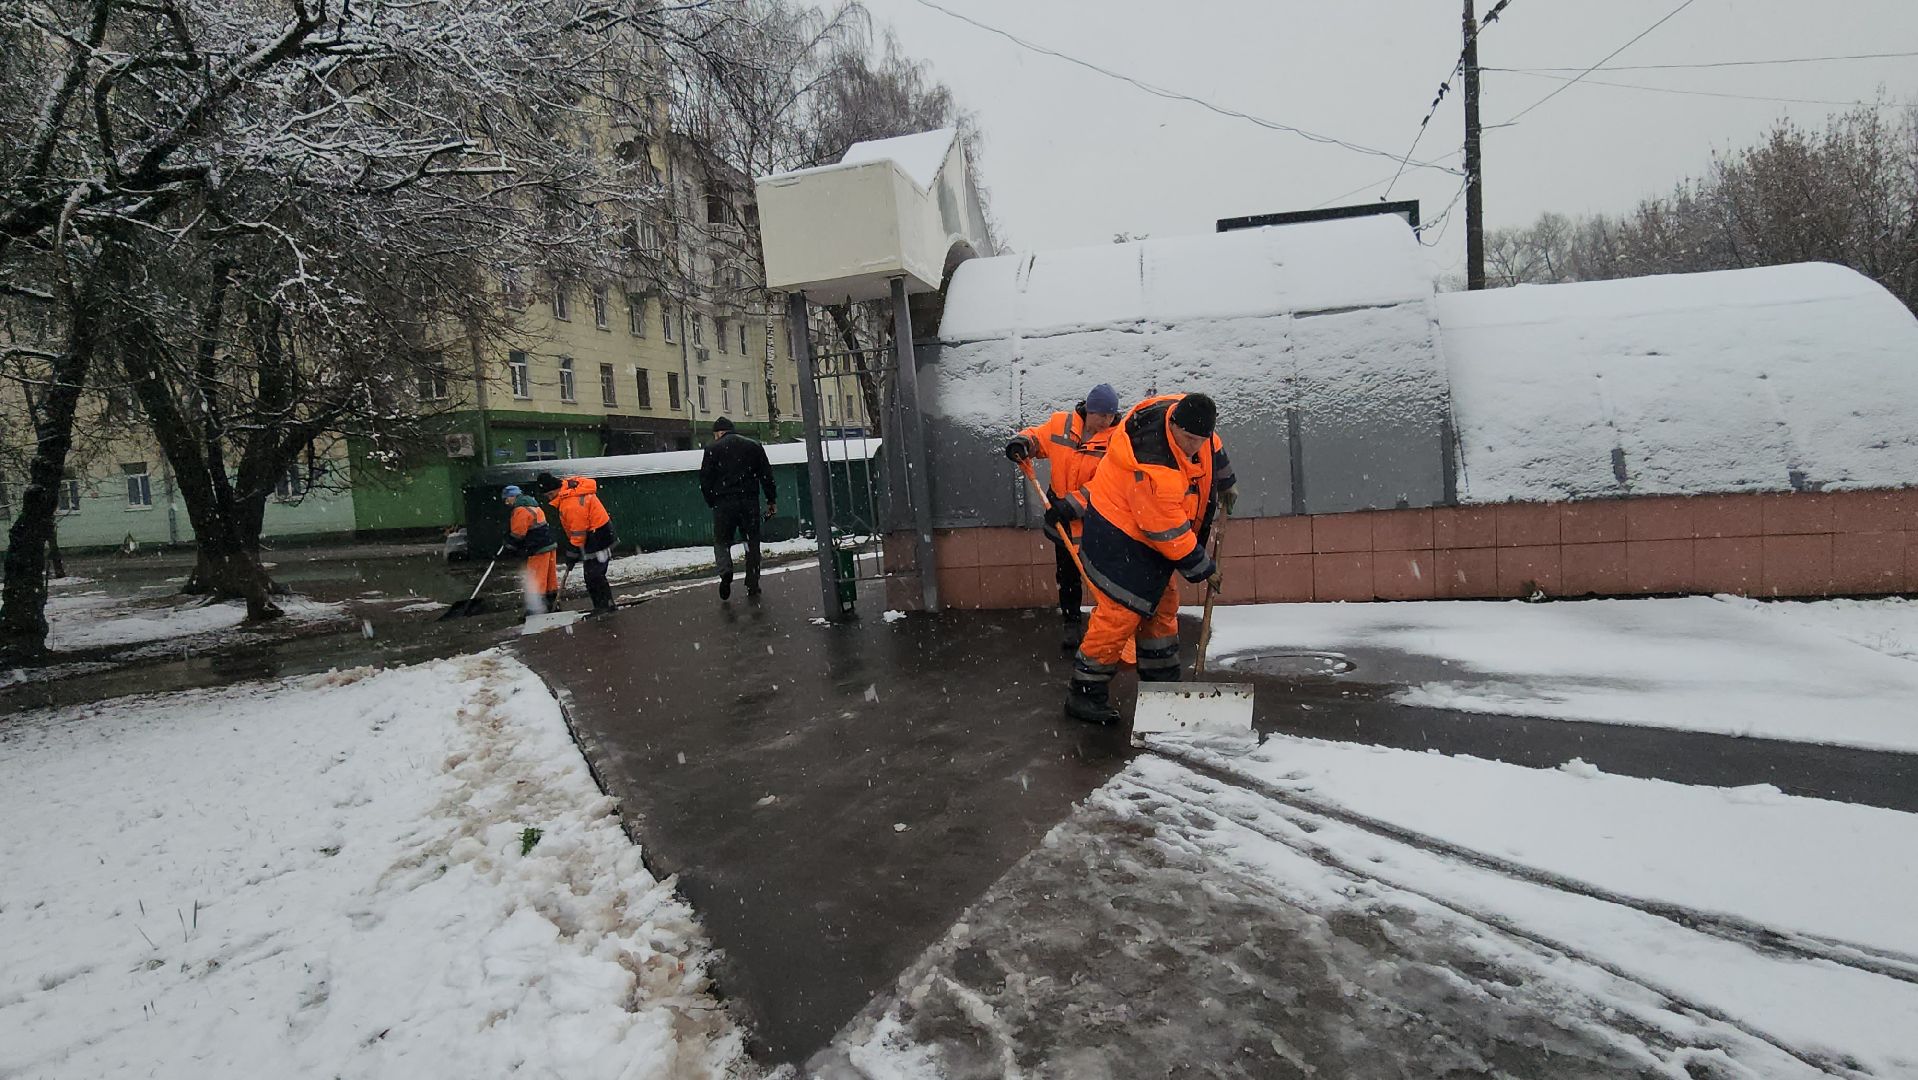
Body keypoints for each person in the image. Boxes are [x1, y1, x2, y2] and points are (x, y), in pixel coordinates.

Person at [1053, 392, 1238, 725]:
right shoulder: (1154, 466)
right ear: (1173, 426)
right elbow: (1166, 532)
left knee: (1163, 605)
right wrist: (1203, 568)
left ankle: (1162, 686)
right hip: (1117, 536)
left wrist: (1225, 480)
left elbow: (1213, 446)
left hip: (1147, 539)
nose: (1194, 446)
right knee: (1119, 616)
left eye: (1200, 439)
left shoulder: (1182, 413)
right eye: (1188, 439)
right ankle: (1083, 695)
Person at [1005, 383, 1121, 649]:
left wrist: (1073, 504)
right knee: (1067, 575)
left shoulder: (1118, 439)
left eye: (1111, 416)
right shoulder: (1062, 424)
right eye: (1101, 415)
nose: (1106, 421)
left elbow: (1109, 483)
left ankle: (1112, 626)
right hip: (1061, 519)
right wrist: (1023, 443)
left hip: (1097, 521)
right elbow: (1039, 438)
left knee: (1103, 573)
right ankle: (1071, 622)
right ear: (1088, 410)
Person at [698, 417, 776, 600]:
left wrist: (712, 501)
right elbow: (766, 475)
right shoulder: (753, 446)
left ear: (718, 433)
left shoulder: (712, 449)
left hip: (724, 504)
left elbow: (705, 480)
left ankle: (725, 573)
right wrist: (771, 500)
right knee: (752, 542)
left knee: (722, 541)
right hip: (749, 502)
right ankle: (752, 583)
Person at [540, 471, 618, 614]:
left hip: (597, 535)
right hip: (598, 533)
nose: (549, 499)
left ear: (557, 488)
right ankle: (605, 605)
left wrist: (572, 552)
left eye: (550, 494)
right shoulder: (568, 492)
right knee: (594, 574)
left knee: (593, 575)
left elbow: (578, 531)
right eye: (547, 496)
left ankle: (604, 607)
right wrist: (574, 551)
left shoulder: (570, 501)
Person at [500, 484, 558, 616]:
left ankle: (536, 609)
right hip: (548, 544)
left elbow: (518, 534)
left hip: (537, 548)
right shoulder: (534, 505)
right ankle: (552, 604)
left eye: (506, 499)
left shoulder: (520, 510)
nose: (506, 502)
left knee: (536, 579)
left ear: (512, 497)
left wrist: (508, 546)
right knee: (549, 579)